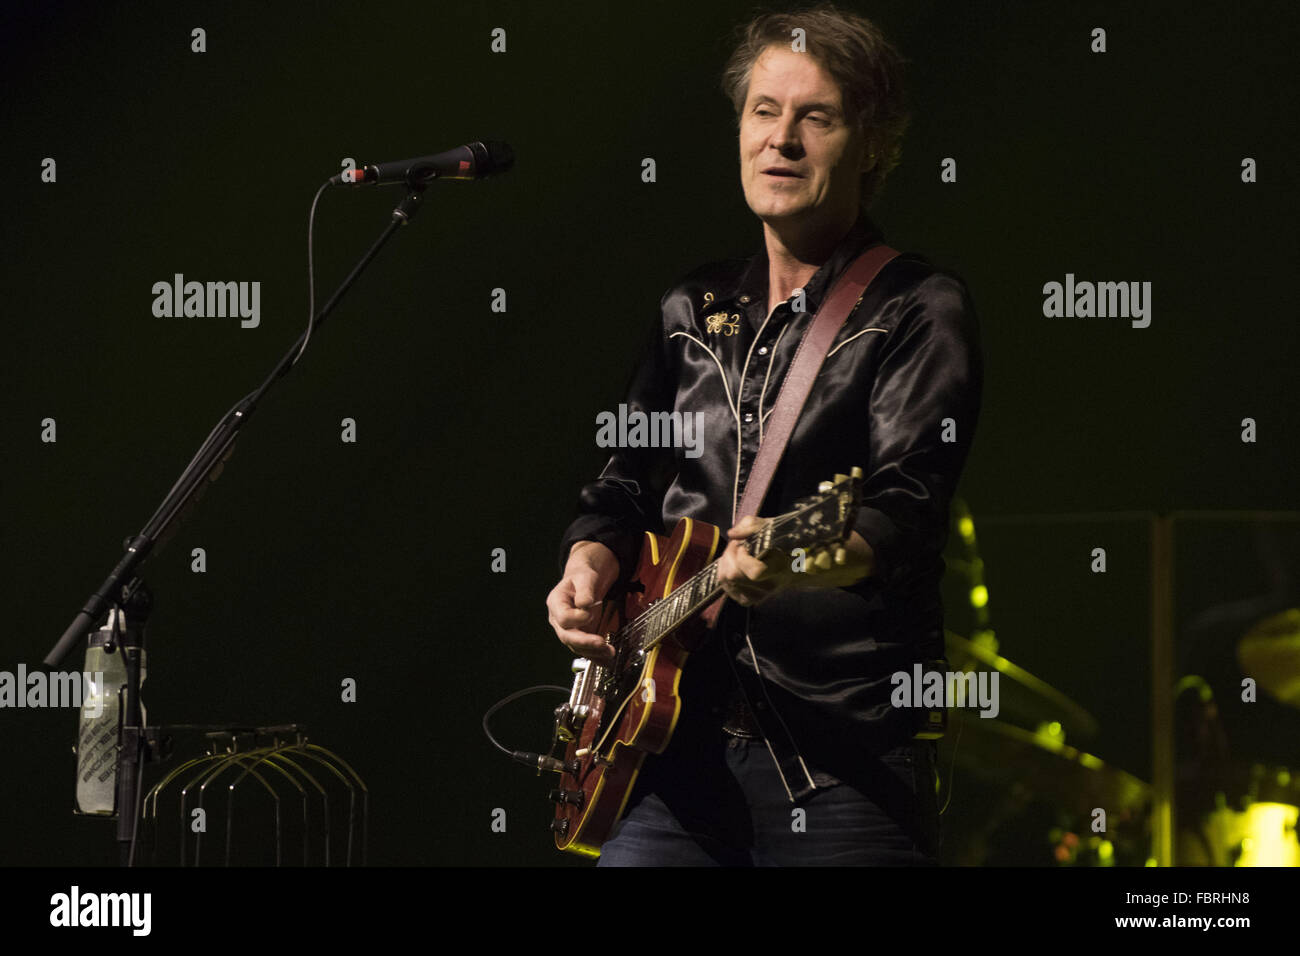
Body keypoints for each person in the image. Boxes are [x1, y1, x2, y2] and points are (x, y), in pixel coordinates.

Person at [546, 2, 982, 866]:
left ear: (872, 144)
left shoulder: (917, 310)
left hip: (839, 759)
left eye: (815, 117)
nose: (781, 139)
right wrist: (590, 554)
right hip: (665, 755)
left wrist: (806, 555)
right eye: (763, 111)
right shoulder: (690, 309)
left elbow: (905, 506)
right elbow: (626, 479)